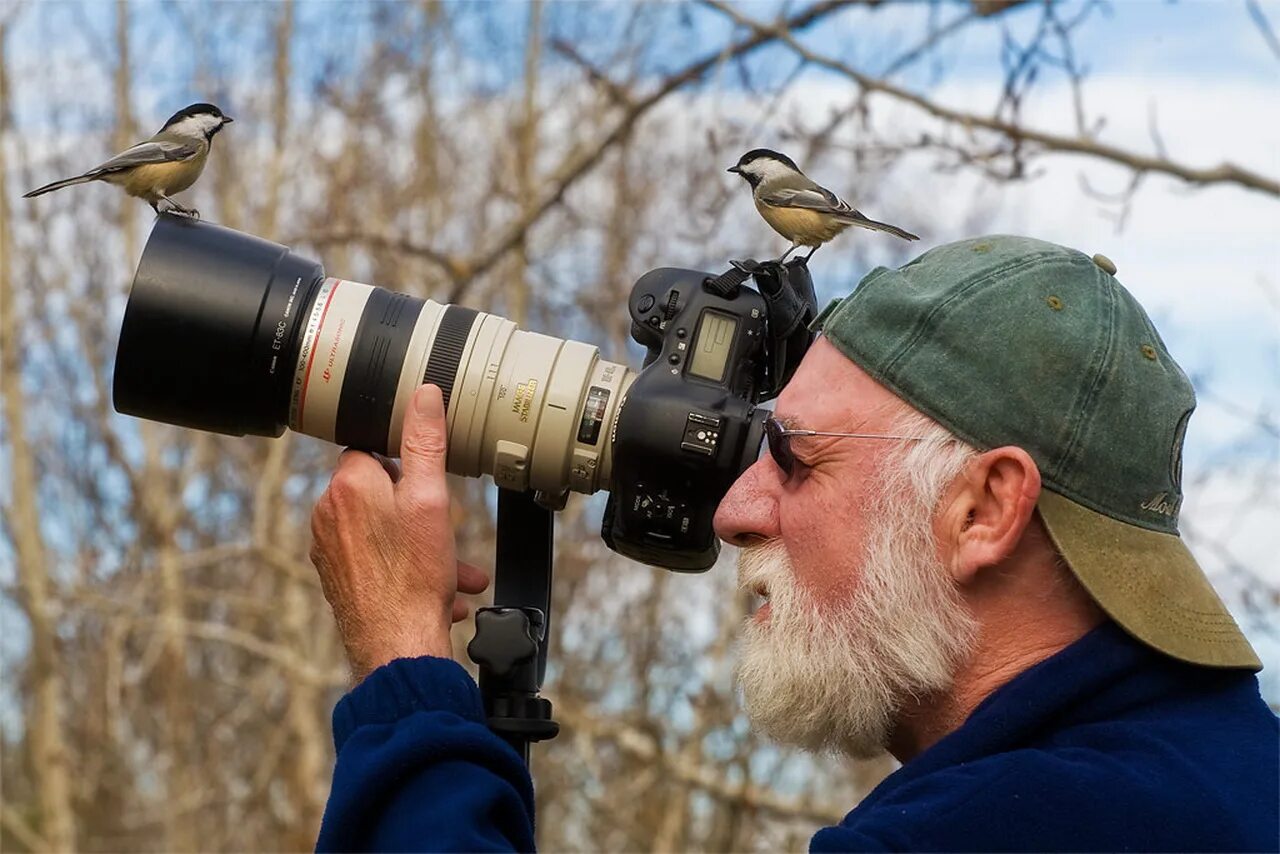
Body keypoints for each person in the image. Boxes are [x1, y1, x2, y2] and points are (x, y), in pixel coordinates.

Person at [308, 235, 1279, 852]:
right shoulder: (1221, 772)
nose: (734, 509)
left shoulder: (1011, 823)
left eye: (796, 458)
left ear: (983, 508)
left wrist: (402, 673)